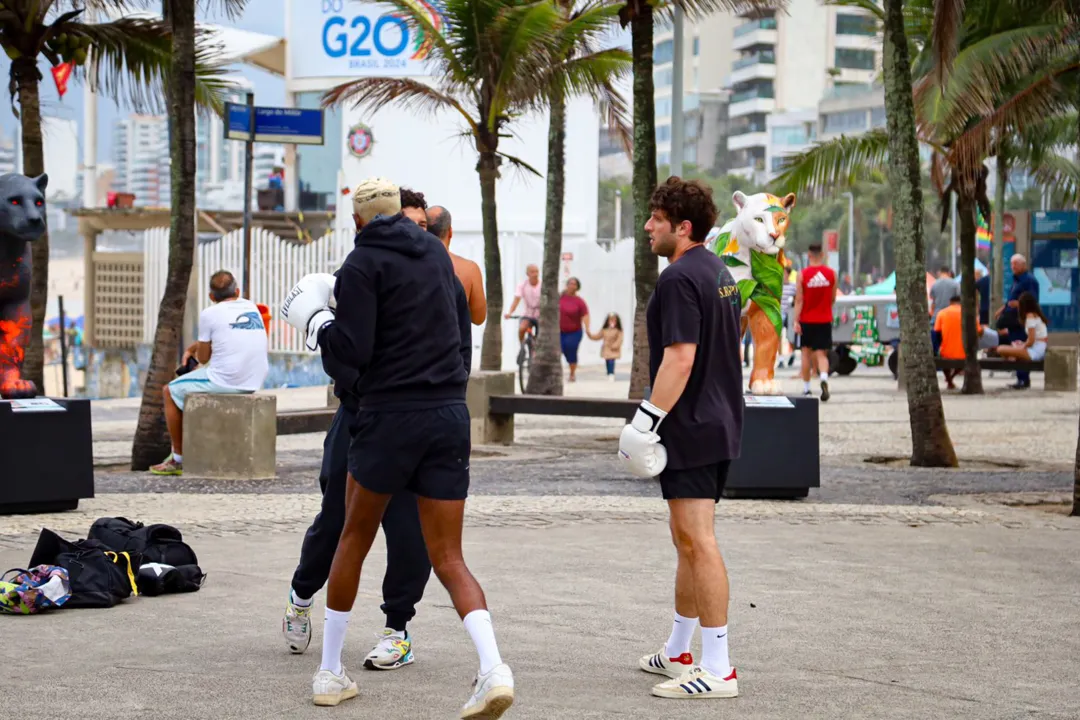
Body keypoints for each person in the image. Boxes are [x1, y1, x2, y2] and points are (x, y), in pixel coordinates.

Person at [281, 177, 513, 717]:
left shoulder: (361, 265)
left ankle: (330, 671)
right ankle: (493, 669)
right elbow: (461, 338)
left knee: (353, 536)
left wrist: (318, 325)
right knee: (450, 556)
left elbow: (352, 352)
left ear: (359, 221)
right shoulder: (441, 259)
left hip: (389, 417)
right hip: (448, 417)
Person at [622, 176, 744, 700]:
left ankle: (719, 669)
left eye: (656, 218)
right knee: (685, 541)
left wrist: (647, 417)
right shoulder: (719, 270)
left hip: (692, 425)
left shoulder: (677, 278)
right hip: (717, 419)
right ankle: (678, 649)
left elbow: (680, 356)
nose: (648, 227)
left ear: (683, 226)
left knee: (698, 540)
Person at [150, 271, 269, 476]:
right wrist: (193, 348)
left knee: (169, 390)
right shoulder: (251, 307)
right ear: (237, 291)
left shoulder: (209, 314)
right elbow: (228, 333)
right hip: (255, 378)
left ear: (211, 297)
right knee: (193, 380)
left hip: (227, 380)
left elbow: (204, 359)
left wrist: (195, 352)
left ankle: (178, 459)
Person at [428, 205, 486, 325]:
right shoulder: (469, 269)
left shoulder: (411, 265)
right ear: (450, 232)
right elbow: (478, 318)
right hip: (456, 340)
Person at [793, 244, 837, 401]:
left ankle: (806, 390)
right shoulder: (831, 274)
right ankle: (824, 378)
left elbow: (799, 300)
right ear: (823, 255)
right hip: (824, 319)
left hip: (807, 320)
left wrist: (795, 320)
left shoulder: (803, 275)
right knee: (822, 354)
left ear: (809, 255)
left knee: (806, 354)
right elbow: (833, 298)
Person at [994, 254, 1040, 389]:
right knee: (1015, 345)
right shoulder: (1016, 280)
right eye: (1012, 264)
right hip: (1012, 320)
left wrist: (1019, 305)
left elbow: (1032, 301)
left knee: (1021, 346)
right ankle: (1020, 377)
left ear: (1023, 265)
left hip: (1022, 321)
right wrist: (1002, 309)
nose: (1013, 267)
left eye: (1016, 264)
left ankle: (1024, 379)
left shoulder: (1029, 280)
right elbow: (1011, 299)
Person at [993, 291, 1048, 368]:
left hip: (1035, 351)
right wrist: (1022, 343)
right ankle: (1014, 357)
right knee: (1013, 344)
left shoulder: (1030, 316)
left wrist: (1022, 346)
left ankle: (1014, 358)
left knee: (1000, 349)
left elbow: (1031, 340)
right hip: (1038, 347)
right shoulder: (1036, 315)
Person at [933, 294, 976, 389]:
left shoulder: (942, 313)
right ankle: (950, 379)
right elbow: (978, 331)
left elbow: (936, 332)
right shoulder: (969, 313)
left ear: (950, 302)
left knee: (944, 360)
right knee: (966, 356)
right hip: (964, 353)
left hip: (946, 352)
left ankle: (949, 380)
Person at [558, 277, 593, 383]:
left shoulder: (579, 301)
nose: (572, 286)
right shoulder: (560, 298)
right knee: (561, 349)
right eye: (570, 283)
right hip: (560, 331)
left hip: (574, 332)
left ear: (577, 287)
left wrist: (587, 328)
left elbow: (585, 315)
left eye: (574, 284)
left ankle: (572, 373)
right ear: (567, 285)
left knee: (571, 349)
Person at [504, 264, 540, 345]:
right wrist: (510, 313)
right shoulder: (522, 285)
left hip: (540, 315)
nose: (535, 274)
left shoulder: (542, 285)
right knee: (522, 328)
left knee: (540, 335)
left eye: (537, 272)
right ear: (527, 274)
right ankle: (522, 347)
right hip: (528, 314)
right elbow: (516, 300)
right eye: (532, 272)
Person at [928, 267, 959, 356]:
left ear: (940, 273)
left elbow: (933, 303)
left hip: (936, 317)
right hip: (951, 317)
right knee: (949, 341)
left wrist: (931, 314)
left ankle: (938, 358)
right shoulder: (955, 284)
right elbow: (958, 301)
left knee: (936, 341)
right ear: (949, 273)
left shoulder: (934, 284)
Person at [589, 312, 623, 380]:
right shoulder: (604, 330)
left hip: (613, 349)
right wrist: (590, 335)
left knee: (611, 361)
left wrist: (615, 345)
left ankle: (611, 373)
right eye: (610, 320)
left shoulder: (618, 330)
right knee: (607, 361)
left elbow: (620, 339)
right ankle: (608, 372)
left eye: (614, 320)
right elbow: (598, 336)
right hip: (606, 348)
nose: (612, 322)